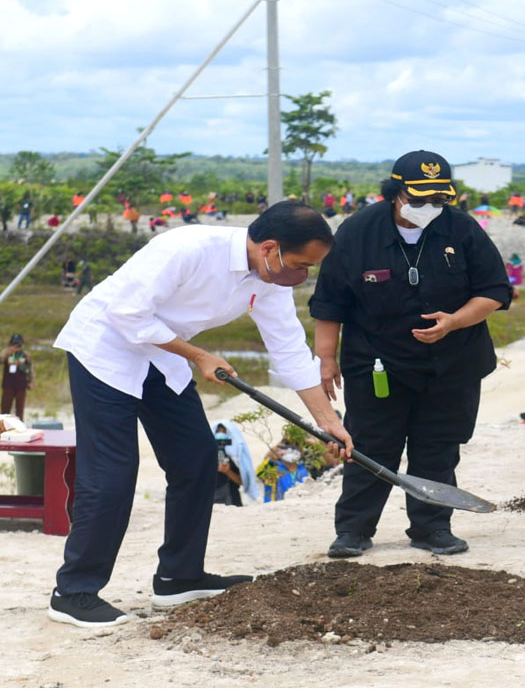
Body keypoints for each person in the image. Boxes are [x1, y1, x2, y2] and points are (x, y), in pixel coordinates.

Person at [47, 200, 354, 628]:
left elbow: (288, 352)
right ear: (270, 248)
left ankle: (179, 576)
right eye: (300, 265)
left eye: (311, 270)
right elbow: (125, 313)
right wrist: (197, 354)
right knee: (112, 472)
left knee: (195, 458)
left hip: (161, 357)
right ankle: (74, 592)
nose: (302, 278)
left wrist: (329, 423)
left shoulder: (270, 281)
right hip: (106, 350)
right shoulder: (187, 248)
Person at [310, 150, 512, 559]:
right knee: (369, 445)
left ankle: (432, 527)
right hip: (378, 363)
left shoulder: (463, 230)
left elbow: (494, 291)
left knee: (437, 447)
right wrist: (326, 358)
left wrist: (454, 321)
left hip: (452, 363)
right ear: (395, 192)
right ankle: (353, 530)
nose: (428, 209)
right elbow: (330, 301)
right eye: (418, 200)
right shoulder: (357, 232)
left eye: (438, 201)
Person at [211, 420, 261, 506]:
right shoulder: (208, 456)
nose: (221, 434)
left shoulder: (234, 457)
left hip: (232, 499)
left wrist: (227, 471)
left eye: (223, 431)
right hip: (213, 500)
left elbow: (241, 481)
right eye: (218, 431)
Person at [1, 334, 32, 420]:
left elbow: (29, 369)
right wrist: (9, 352)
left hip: (21, 385)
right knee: (5, 408)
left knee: (20, 409)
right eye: (14, 343)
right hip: (8, 385)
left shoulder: (25, 355)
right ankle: (3, 428)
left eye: (18, 344)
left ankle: (20, 427)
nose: (16, 346)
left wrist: (30, 382)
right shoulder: (6, 353)